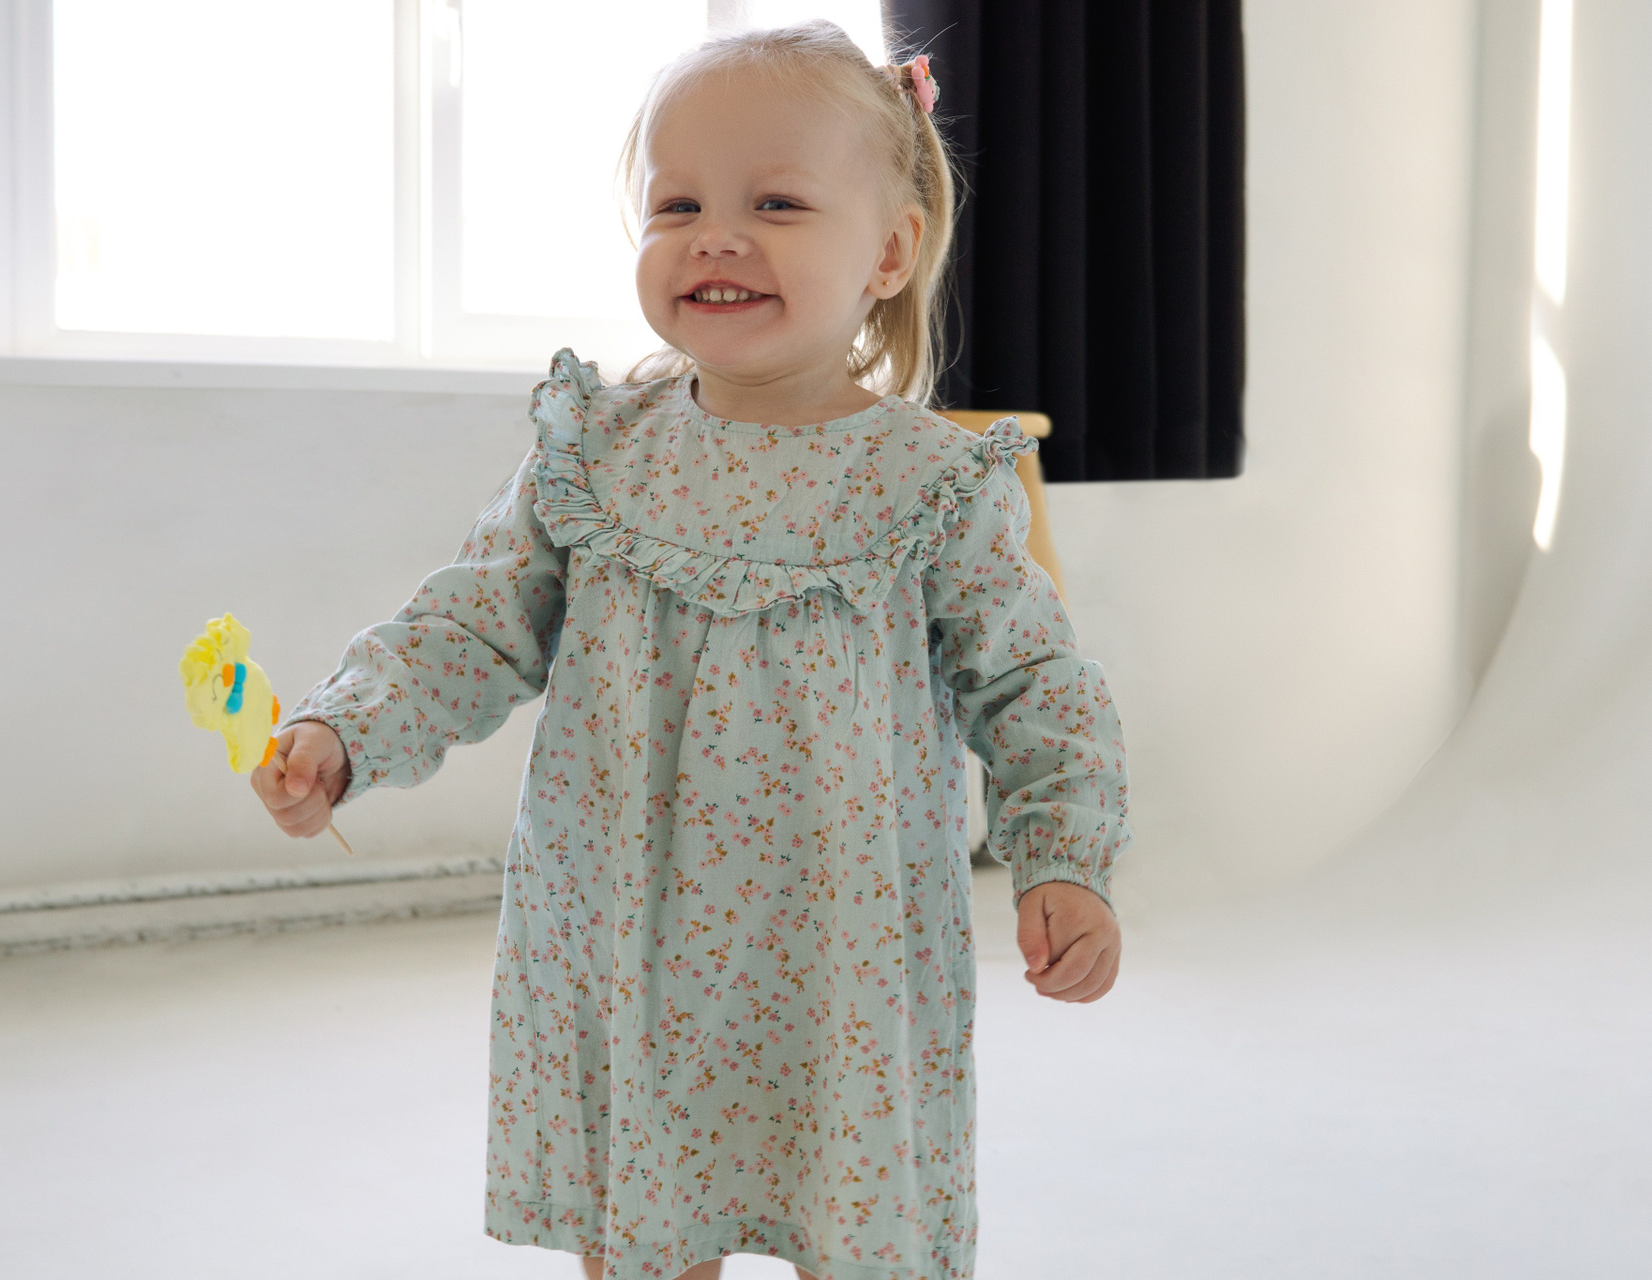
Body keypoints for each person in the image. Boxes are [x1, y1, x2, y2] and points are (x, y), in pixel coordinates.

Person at [252, 21, 1130, 1280]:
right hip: (627, 936)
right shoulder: (597, 454)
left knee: (854, 1208)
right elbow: (471, 620)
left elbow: (1034, 684)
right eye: (678, 205)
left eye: (776, 203)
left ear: (889, 251)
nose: (716, 236)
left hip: (842, 956)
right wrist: (345, 731)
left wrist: (1066, 855)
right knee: (643, 1223)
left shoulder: (929, 481)